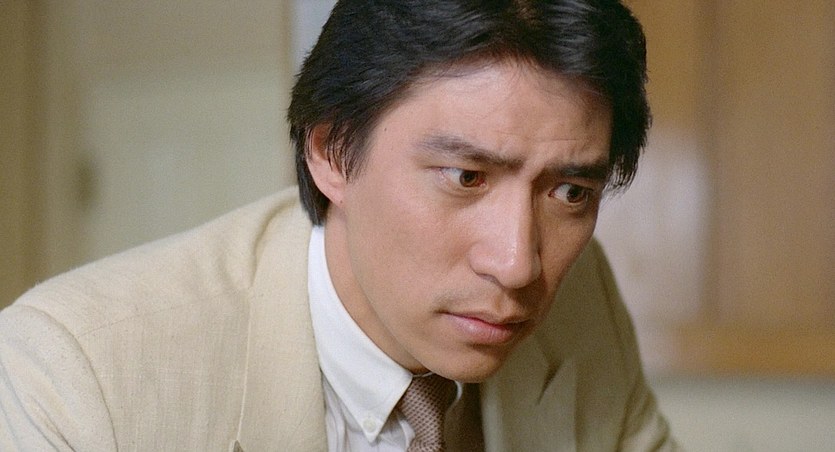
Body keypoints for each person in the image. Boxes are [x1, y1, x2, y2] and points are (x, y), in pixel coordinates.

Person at [0, 0, 679, 450]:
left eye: (569, 191)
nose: (517, 263)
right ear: (329, 152)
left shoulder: (581, 304)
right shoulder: (80, 373)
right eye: (465, 177)